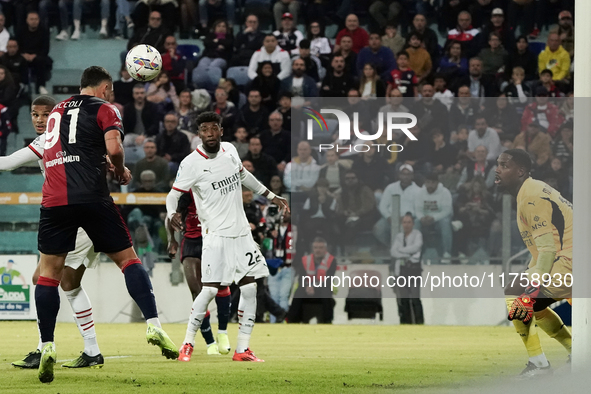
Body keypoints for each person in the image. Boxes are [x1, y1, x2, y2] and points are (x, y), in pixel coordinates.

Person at [34, 67, 178, 383]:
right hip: (92, 197)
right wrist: (120, 169)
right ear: (105, 88)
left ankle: (47, 345)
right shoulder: (104, 109)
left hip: (55, 200)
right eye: (110, 91)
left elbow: (50, 151)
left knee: (47, 276)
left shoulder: (57, 109)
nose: (111, 96)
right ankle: (153, 324)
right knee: (128, 260)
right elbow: (113, 148)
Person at [166, 111, 289, 362]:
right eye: (204, 129)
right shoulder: (191, 163)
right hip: (215, 236)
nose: (210, 133)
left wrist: (270, 195)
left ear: (221, 130)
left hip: (242, 233)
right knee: (209, 291)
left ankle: (242, 349)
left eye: (214, 128)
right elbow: (173, 195)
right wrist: (171, 213)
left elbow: (244, 176)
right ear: (199, 134)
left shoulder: (231, 150)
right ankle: (187, 343)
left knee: (251, 288)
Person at [1, 96, 105, 369]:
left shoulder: (51, 138)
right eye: (35, 114)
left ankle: (44, 348)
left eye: (45, 114)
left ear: (57, 115)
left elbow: (8, 163)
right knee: (68, 284)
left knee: (43, 279)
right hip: (82, 214)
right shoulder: (74, 136)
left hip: (73, 218)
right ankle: (90, 350)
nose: (38, 119)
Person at [495, 149, 572, 378]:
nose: (497, 169)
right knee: (515, 292)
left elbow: (548, 247)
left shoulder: (531, 196)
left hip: (572, 258)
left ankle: (546, 363)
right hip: (563, 255)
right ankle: (540, 361)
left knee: (527, 302)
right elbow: (544, 247)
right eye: (498, 164)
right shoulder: (528, 192)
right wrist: (532, 274)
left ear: (521, 171)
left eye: (504, 165)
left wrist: (534, 283)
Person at [166, 192, 232, 356]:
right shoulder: (186, 192)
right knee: (197, 293)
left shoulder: (219, 189)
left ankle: (222, 333)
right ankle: (210, 343)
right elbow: (171, 216)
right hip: (191, 243)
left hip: (215, 240)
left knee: (221, 288)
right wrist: (172, 240)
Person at [287, 237, 336, 324]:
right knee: (299, 292)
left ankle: (327, 321)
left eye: (321, 248)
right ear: (312, 249)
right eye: (316, 248)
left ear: (325, 249)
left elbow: (328, 280)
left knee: (326, 292)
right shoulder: (305, 260)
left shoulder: (331, 260)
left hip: (322, 288)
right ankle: (292, 320)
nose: (318, 250)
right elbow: (301, 278)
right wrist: (307, 287)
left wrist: (314, 287)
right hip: (307, 288)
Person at [374, 164, 420, 246]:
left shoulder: (419, 191)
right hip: (391, 218)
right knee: (378, 229)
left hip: (410, 219)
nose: (405, 177)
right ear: (399, 175)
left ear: (412, 176)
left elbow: (420, 209)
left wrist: (408, 217)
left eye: (408, 174)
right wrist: (389, 217)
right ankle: (391, 247)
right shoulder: (390, 188)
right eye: (403, 174)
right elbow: (383, 206)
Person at [390, 213, 424, 325]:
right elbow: (393, 252)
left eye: (409, 222)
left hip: (414, 270)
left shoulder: (417, 234)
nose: (407, 224)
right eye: (404, 222)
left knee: (415, 299)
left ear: (413, 224)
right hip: (401, 270)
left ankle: (419, 323)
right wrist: (407, 254)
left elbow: (417, 247)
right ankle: (405, 324)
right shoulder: (399, 236)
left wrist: (401, 250)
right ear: (401, 224)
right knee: (403, 300)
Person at [414, 173, 453, 262]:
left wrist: (433, 218)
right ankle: (415, 252)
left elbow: (447, 211)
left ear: (437, 183)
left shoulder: (445, 192)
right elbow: (417, 209)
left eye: (433, 183)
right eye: (428, 182)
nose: (430, 185)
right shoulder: (420, 192)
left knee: (445, 222)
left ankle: (447, 253)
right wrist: (421, 218)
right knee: (415, 223)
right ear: (425, 182)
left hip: (439, 219)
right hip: (424, 220)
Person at [16, 11, 51, 94]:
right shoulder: (20, 31)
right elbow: (17, 46)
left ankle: (41, 86)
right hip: (24, 55)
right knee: (18, 60)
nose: (34, 21)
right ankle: (23, 84)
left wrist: (34, 55)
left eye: (36, 19)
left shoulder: (44, 31)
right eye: (31, 19)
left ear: (39, 20)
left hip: (37, 55)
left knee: (41, 60)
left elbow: (45, 48)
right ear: (27, 21)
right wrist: (24, 54)